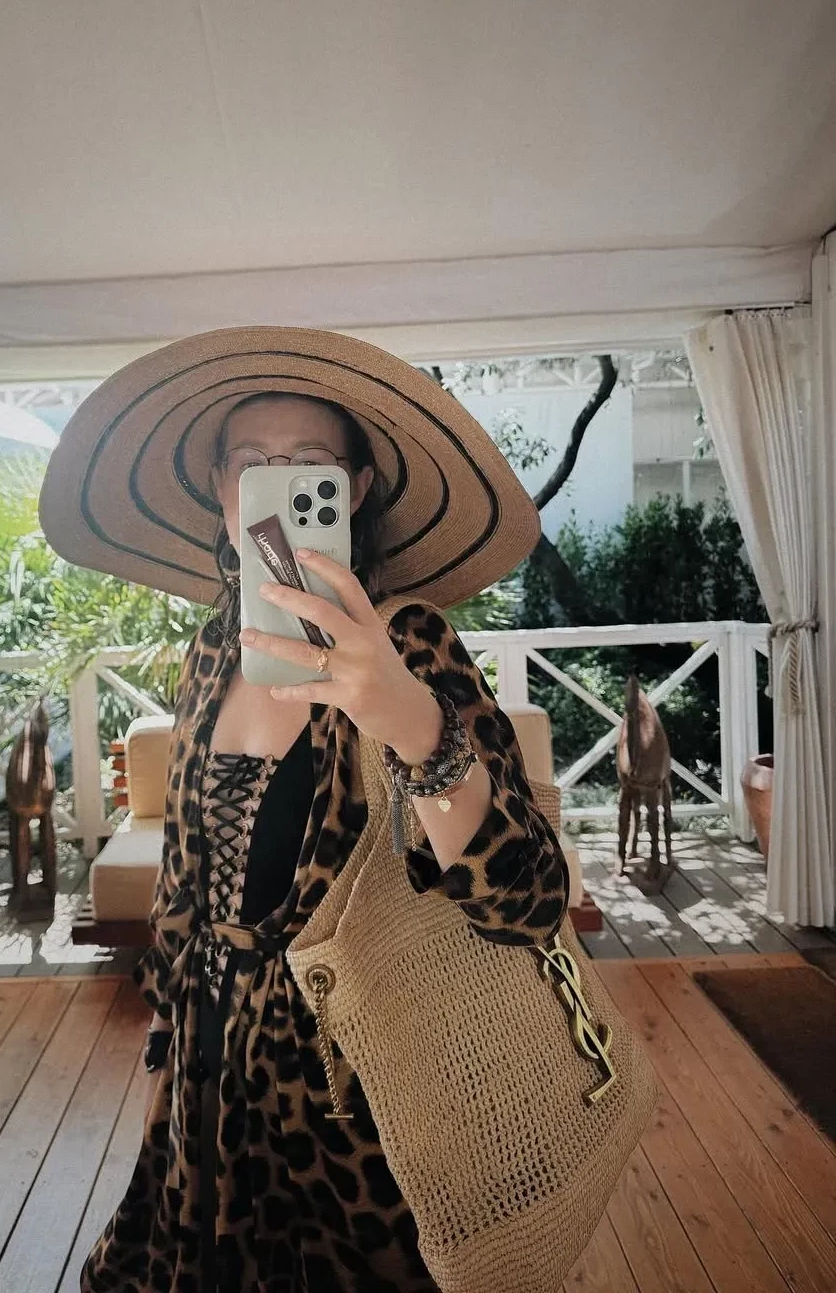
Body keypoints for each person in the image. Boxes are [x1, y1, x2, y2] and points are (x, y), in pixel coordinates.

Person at [39, 326, 569, 1293]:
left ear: (354, 491)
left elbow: (527, 900)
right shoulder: (213, 648)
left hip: (354, 1088)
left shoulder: (409, 641)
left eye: (309, 464)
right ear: (221, 489)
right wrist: (171, 1043)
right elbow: (187, 876)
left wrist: (408, 718)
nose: (277, 484)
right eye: (252, 462)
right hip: (208, 1069)